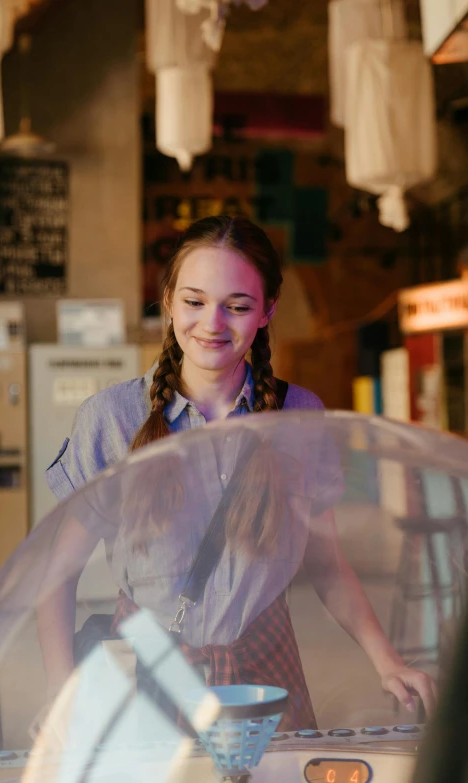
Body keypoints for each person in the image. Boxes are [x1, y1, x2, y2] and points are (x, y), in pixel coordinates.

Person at [39, 215, 436, 731]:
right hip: (148, 671)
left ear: (268, 310)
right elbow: (58, 571)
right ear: (168, 300)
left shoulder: (299, 414)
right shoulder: (112, 418)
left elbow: (328, 564)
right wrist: (61, 687)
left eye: (238, 306)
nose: (212, 323)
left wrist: (389, 662)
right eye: (195, 301)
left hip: (263, 675)